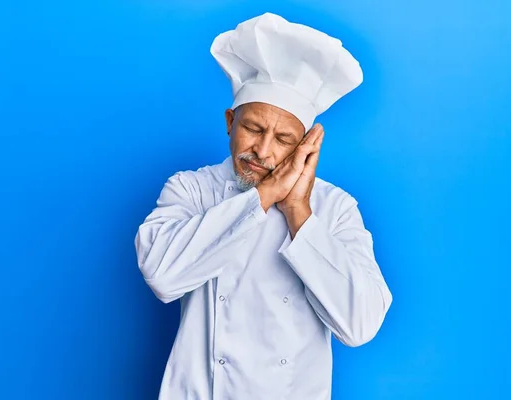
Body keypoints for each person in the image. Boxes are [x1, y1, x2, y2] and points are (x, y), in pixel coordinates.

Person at [134, 12, 392, 400]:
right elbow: (162, 277)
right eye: (253, 128)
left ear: (305, 146)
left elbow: (360, 326)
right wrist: (264, 196)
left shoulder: (334, 207)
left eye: (284, 138)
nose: (263, 150)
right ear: (229, 122)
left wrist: (298, 212)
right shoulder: (191, 189)